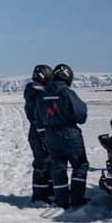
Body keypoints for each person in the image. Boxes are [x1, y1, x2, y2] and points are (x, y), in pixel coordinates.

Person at [37, 63, 89, 209]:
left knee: (58, 168)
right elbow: (81, 115)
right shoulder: (67, 93)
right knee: (80, 165)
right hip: (69, 134)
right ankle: (77, 198)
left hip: (51, 135)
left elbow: (38, 118)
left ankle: (62, 200)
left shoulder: (42, 94)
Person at [23, 64, 54, 204]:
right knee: (43, 163)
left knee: (45, 162)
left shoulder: (33, 91)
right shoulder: (40, 93)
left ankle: (47, 191)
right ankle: (41, 195)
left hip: (37, 131)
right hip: (41, 131)